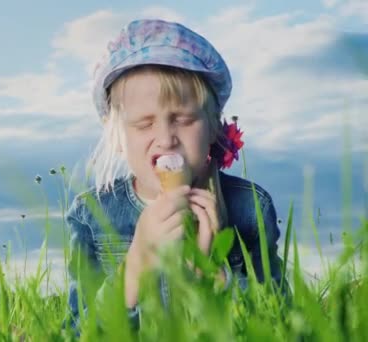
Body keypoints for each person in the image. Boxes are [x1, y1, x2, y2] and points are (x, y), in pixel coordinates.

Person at [64, 18, 287, 334]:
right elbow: (77, 333)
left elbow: (280, 322)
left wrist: (215, 275)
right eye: (144, 124)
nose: (166, 138)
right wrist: (135, 267)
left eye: (183, 119)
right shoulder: (91, 216)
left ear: (213, 127)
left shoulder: (250, 207)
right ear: (117, 139)